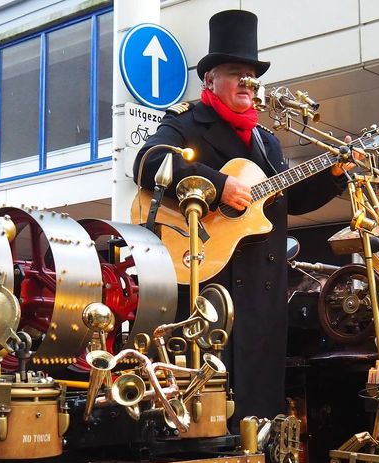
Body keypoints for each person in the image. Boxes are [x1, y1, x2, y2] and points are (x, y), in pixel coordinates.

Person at [134, 9, 349, 424]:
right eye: (236, 73)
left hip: (263, 301)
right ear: (210, 80)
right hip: (210, 287)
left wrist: (336, 172)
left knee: (258, 406)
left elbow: (289, 199)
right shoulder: (187, 124)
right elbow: (148, 162)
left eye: (252, 75)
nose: (247, 83)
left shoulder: (267, 143)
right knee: (211, 403)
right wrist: (216, 185)